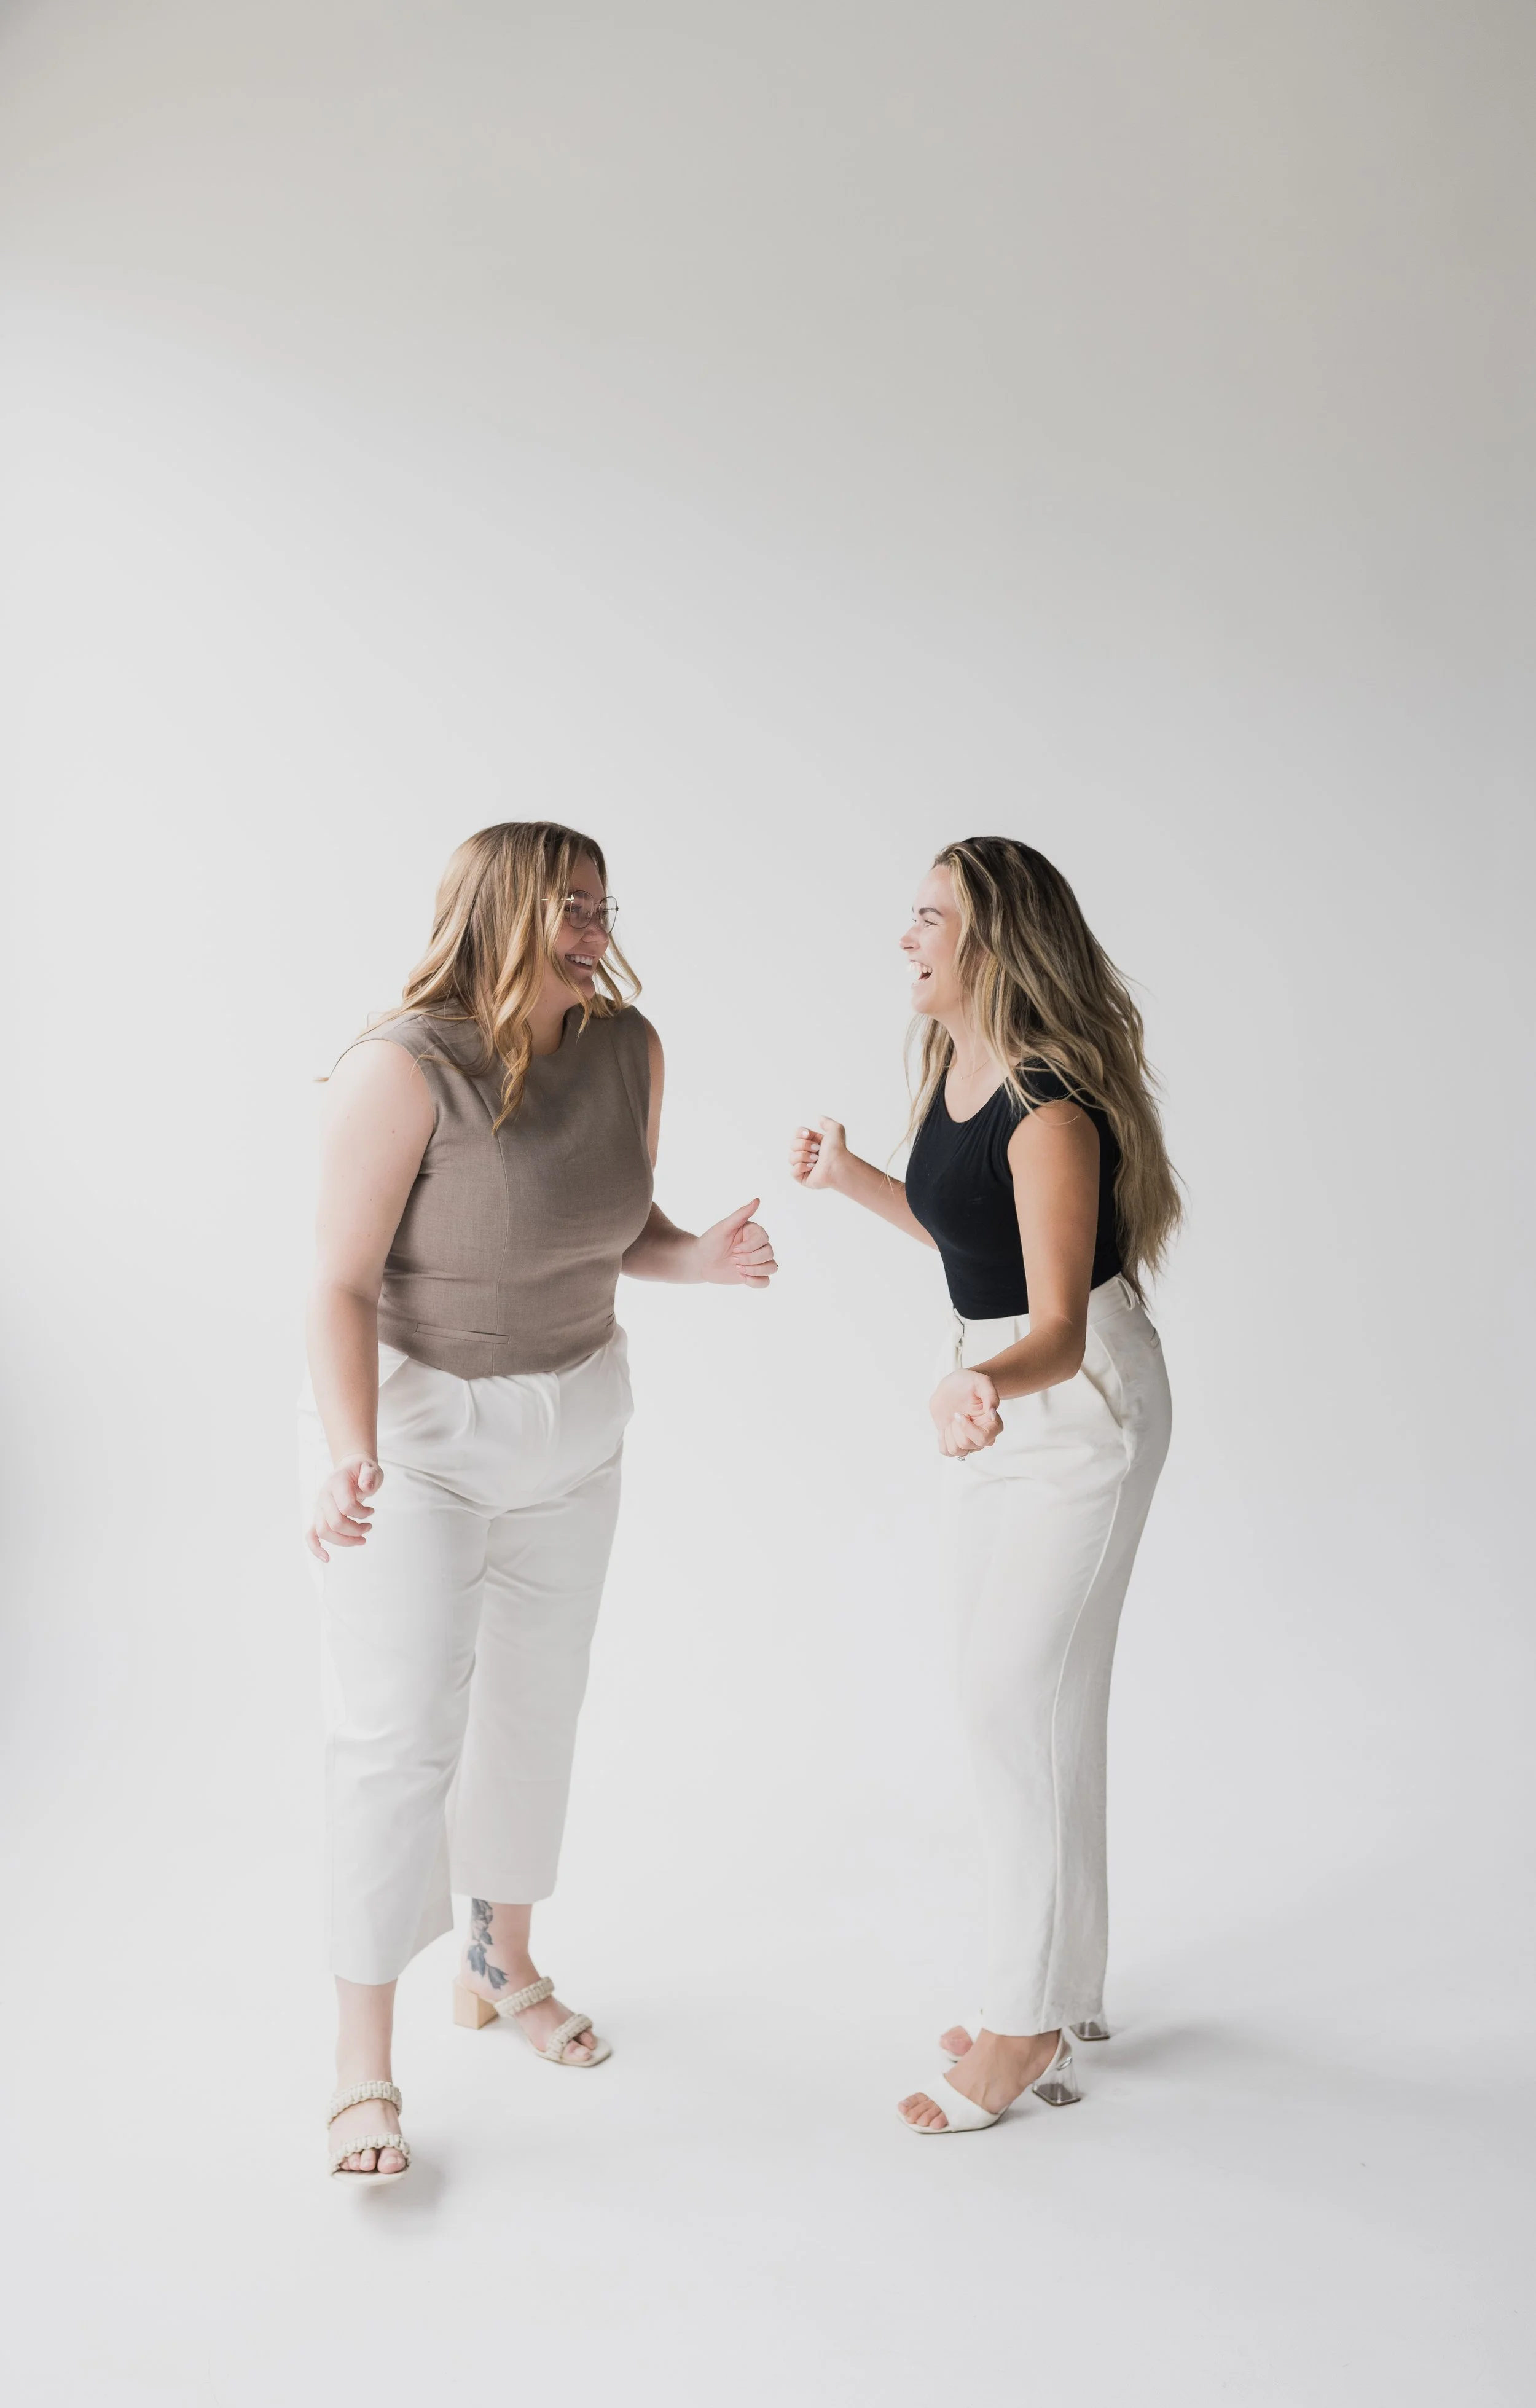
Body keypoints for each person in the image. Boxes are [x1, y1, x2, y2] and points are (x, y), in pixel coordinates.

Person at [304, 820, 777, 2182]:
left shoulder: (628, 1047)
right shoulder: (401, 1070)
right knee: (398, 1738)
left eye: (600, 902)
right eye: (567, 905)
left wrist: (703, 1259)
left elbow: (613, 1224)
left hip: (577, 1412)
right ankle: (360, 2067)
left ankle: (498, 1965)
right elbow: (335, 1283)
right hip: (420, 1425)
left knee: (534, 1705)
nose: (593, 924)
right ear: (497, 914)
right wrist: (348, 1451)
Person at [791, 836, 1178, 2134]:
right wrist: (854, 1183)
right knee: (1022, 1701)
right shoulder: (952, 1070)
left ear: (992, 942)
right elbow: (973, 1242)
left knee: (1017, 1697)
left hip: (1070, 1403)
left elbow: (1058, 1327)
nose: (904, 940)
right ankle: (1053, 1994)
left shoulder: (1050, 1106)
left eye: (926, 920)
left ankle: (1023, 2026)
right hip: (994, 1389)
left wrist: (985, 1388)